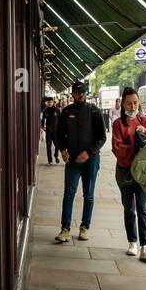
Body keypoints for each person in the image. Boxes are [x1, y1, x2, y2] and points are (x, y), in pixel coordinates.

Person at [53, 80, 107, 243]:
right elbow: (59, 133)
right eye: (77, 93)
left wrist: (89, 153)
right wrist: (62, 149)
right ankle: (65, 229)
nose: (80, 96)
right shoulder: (66, 111)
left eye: (83, 93)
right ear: (73, 95)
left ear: (86, 93)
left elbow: (102, 138)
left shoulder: (94, 111)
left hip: (90, 160)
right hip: (73, 160)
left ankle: (85, 227)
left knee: (88, 195)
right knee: (69, 193)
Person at [111, 86, 146, 261]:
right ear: (122, 104)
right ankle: (132, 241)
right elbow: (117, 148)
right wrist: (136, 149)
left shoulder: (144, 121)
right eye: (128, 103)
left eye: (135, 103)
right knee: (129, 209)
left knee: (143, 208)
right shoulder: (118, 124)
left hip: (143, 174)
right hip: (125, 173)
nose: (132, 106)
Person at [41, 96, 59, 165]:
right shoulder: (45, 111)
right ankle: (50, 160)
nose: (50, 103)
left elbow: (60, 120)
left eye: (51, 102)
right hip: (48, 132)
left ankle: (56, 155)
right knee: (48, 147)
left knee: (57, 145)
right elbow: (42, 120)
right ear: (47, 103)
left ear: (53, 102)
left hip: (56, 132)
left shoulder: (57, 110)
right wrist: (42, 128)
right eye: (49, 102)